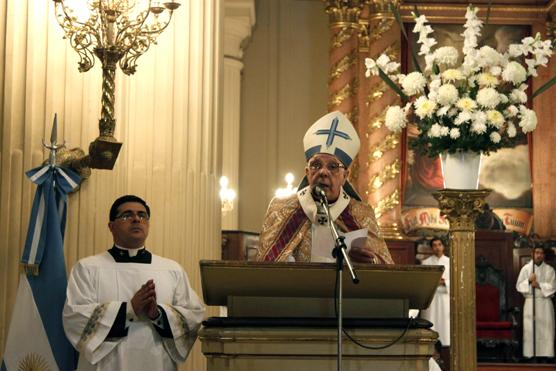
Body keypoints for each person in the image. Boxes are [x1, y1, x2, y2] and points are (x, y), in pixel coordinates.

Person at [63, 195, 205, 371]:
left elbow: (193, 315)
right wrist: (129, 310)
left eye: (142, 215)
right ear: (111, 226)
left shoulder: (171, 270)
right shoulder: (88, 268)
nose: (136, 219)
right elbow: (75, 317)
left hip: (157, 364)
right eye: (127, 215)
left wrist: (158, 315)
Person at [256, 111, 393, 264]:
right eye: (316, 165)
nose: (323, 172)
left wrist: (369, 262)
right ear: (307, 172)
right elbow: (265, 266)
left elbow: (384, 270)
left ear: (345, 176)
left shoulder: (361, 214)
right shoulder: (281, 208)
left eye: (333, 166)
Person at [516, 246, 556, 361]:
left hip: (545, 303)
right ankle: (530, 355)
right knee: (530, 329)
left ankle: (546, 355)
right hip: (530, 302)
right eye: (537, 253)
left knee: (546, 329)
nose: (539, 255)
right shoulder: (526, 269)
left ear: (544, 255)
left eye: (541, 253)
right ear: (532, 254)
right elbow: (519, 286)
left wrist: (538, 285)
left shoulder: (550, 270)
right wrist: (528, 281)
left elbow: (553, 286)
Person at [421, 237, 450, 347]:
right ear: (431, 248)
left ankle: (445, 345)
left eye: (439, 245)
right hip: (432, 297)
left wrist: (444, 282)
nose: (437, 248)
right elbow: (424, 281)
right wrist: (435, 281)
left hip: (444, 296)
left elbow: (454, 280)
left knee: (445, 325)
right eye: (434, 245)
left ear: (443, 247)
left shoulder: (450, 262)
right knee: (431, 320)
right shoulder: (426, 262)